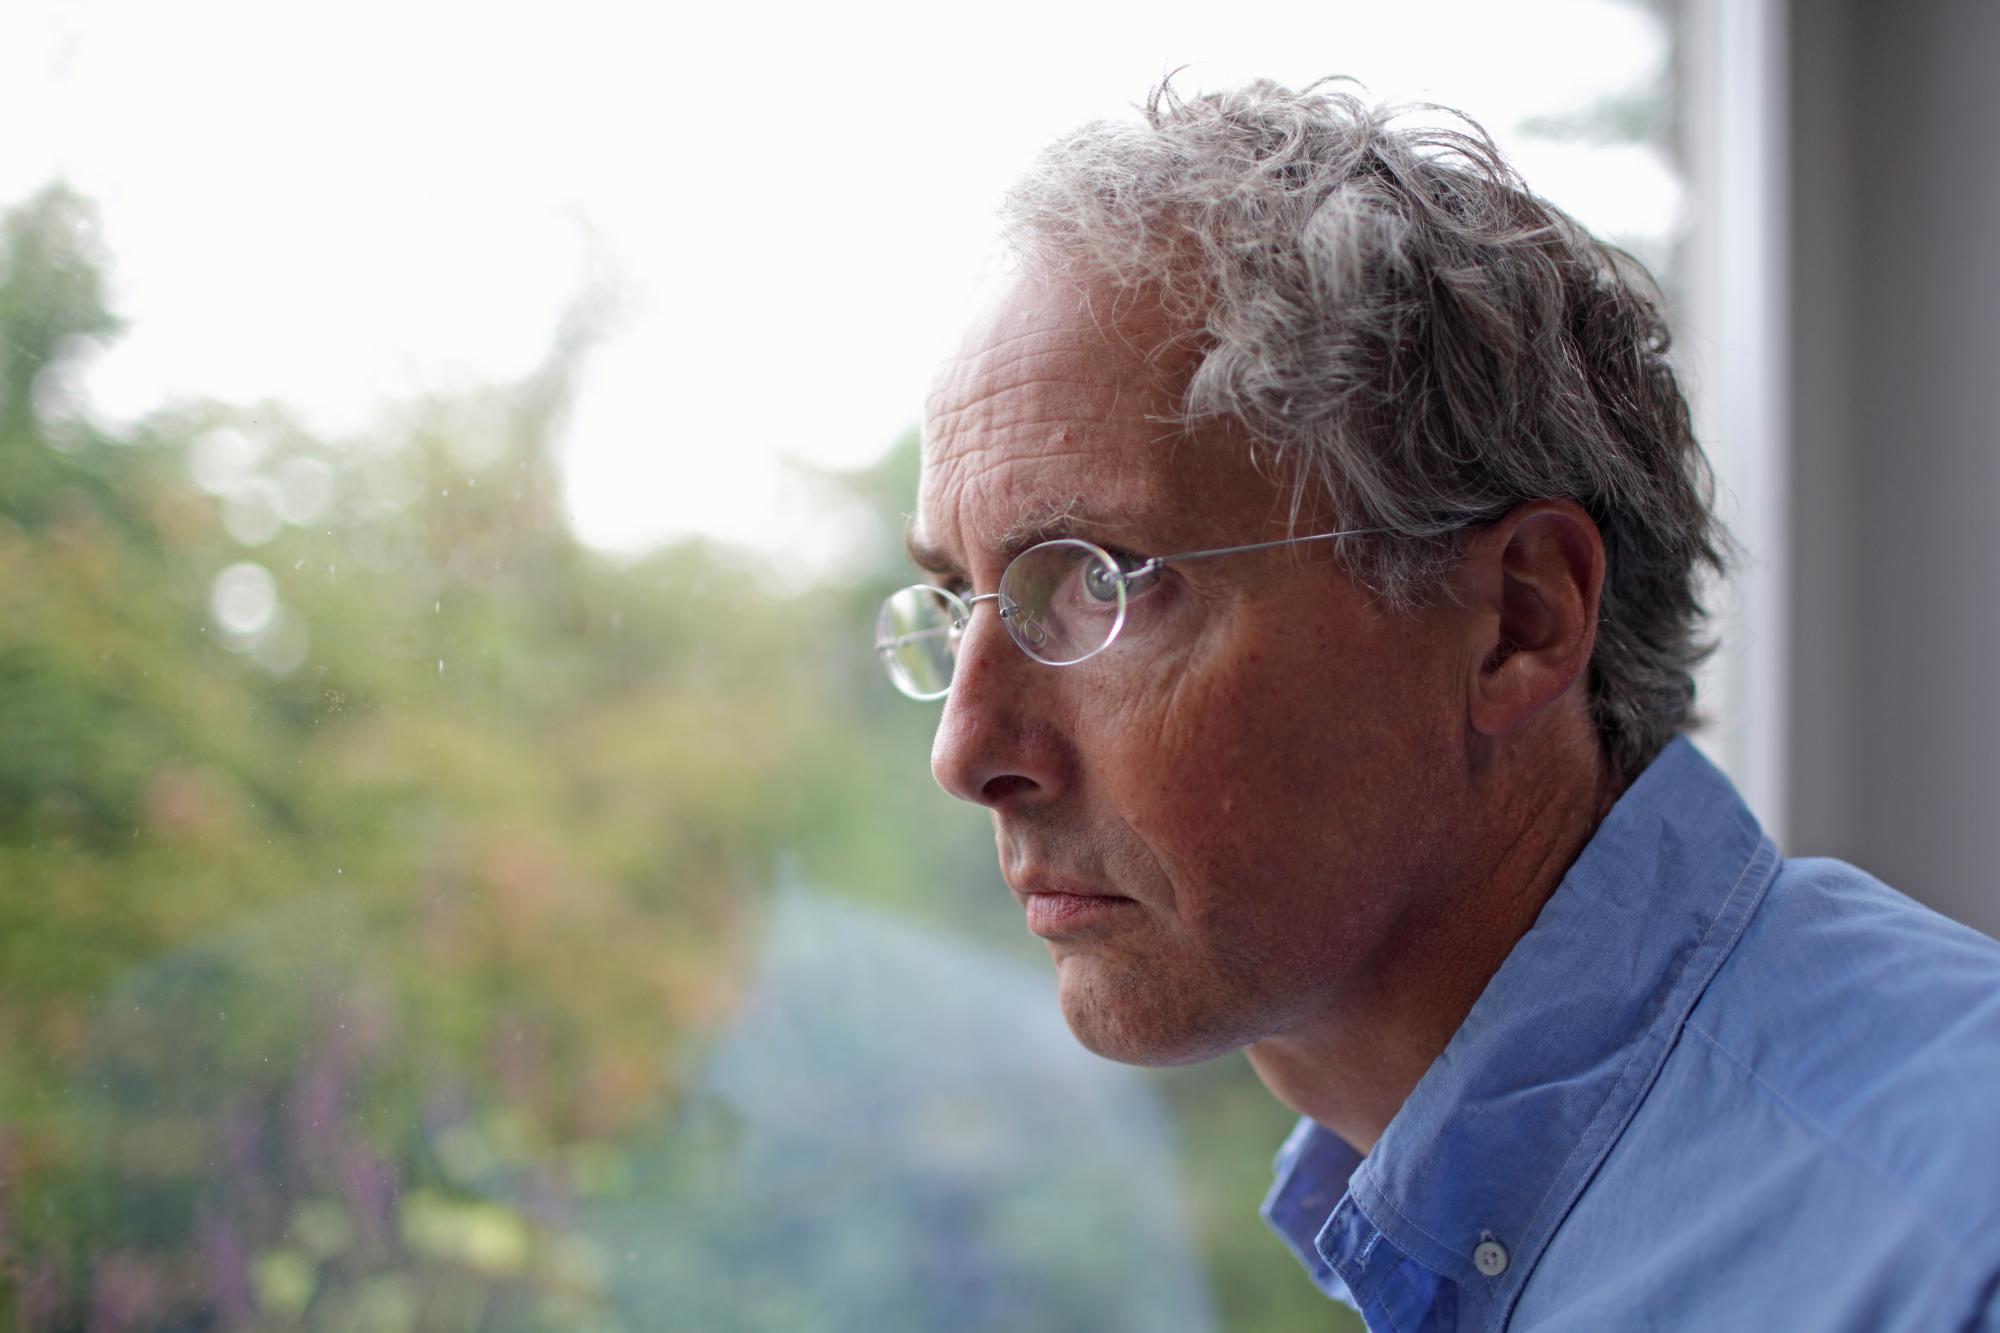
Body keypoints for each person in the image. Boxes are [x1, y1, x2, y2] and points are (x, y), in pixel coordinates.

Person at [873, 80, 2000, 1331]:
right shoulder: (1470, 1221)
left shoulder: (1948, 1246)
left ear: (1517, 620)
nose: (965, 749)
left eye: (1097, 581)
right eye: (957, 600)